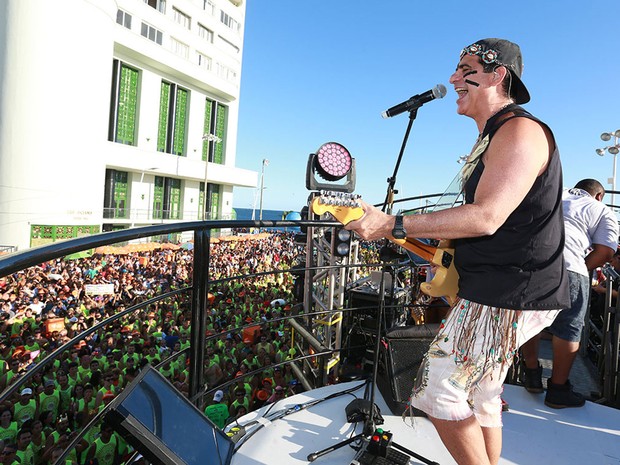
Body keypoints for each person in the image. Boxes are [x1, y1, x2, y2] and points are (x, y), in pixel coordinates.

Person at [345, 38, 569, 465]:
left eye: (465, 68)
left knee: (438, 390)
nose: (453, 79)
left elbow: (485, 216)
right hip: (504, 285)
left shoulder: (519, 130)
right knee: (483, 393)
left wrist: (393, 223)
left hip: (510, 291)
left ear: (497, 74)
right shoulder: (493, 137)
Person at [520, 179, 618, 407]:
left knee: (528, 319)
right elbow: (605, 252)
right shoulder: (602, 209)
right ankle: (558, 389)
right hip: (571, 265)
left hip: (531, 261)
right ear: (599, 195)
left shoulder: (554, 191)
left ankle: (532, 373)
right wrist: (581, 267)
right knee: (569, 327)